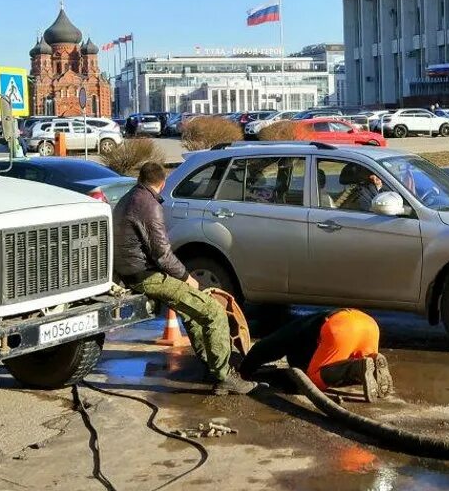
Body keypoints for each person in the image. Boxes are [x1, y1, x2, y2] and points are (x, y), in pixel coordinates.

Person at [113, 162, 257, 395]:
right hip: (144, 275)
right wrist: (186, 277)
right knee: (213, 312)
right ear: (163, 183)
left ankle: (211, 364)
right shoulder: (148, 205)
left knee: (193, 310)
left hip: (131, 271)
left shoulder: (130, 197)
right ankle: (224, 376)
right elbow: (161, 253)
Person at [239, 309, 392, 401]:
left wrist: (243, 370)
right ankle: (370, 361)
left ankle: (357, 368)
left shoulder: (291, 332)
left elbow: (264, 348)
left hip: (340, 327)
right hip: (369, 325)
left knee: (314, 380)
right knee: (363, 368)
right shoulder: (309, 327)